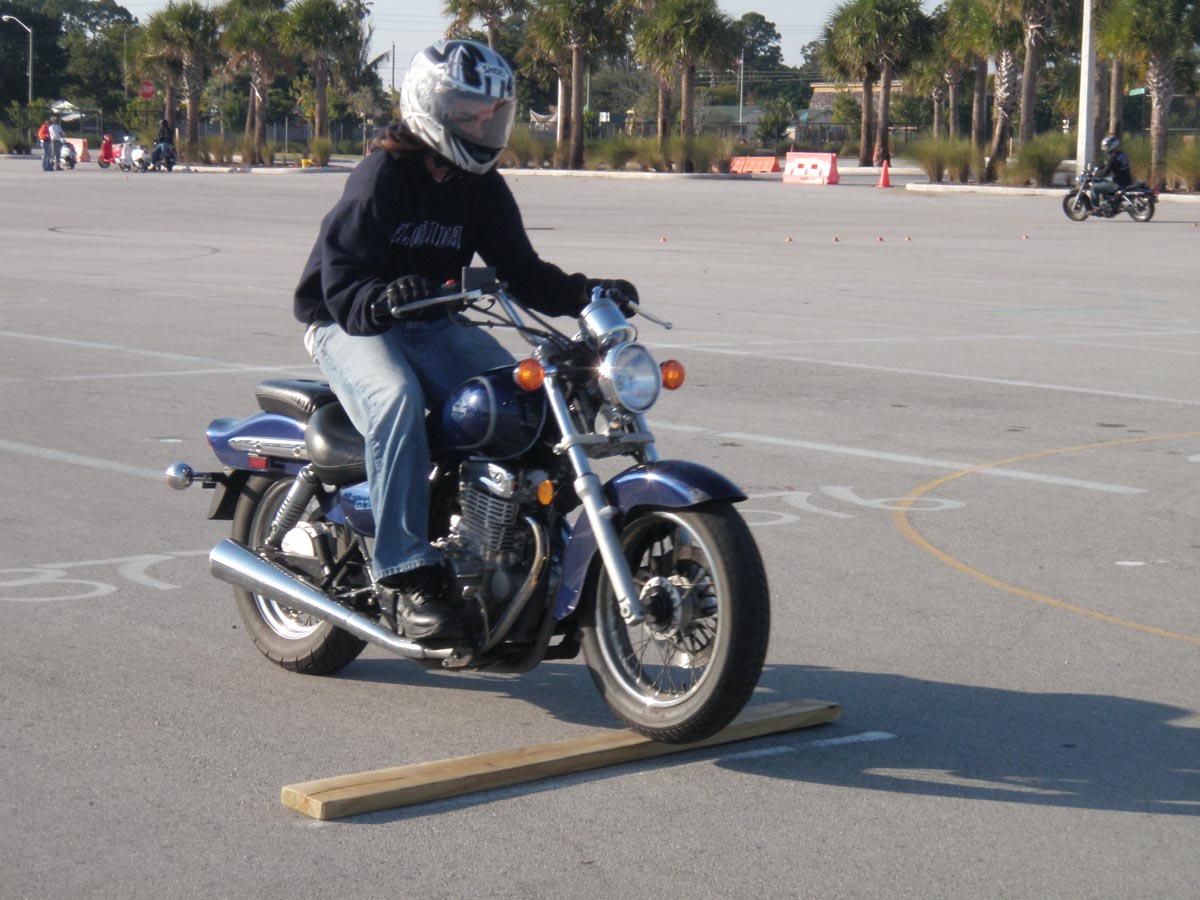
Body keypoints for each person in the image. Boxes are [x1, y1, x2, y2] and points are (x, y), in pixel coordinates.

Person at [294, 40, 637, 643]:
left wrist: (586, 293)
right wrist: (377, 297)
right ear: (430, 108)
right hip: (349, 322)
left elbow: (522, 271)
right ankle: (405, 572)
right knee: (397, 400)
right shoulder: (382, 175)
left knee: (523, 398)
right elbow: (340, 277)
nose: (481, 126)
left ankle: (506, 540)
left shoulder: (480, 186)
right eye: (467, 113)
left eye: (490, 115)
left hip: (432, 323)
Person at [1091, 135, 1132, 213]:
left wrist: (1095, 174)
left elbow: (1105, 173)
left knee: (1094, 187)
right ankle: (1109, 200)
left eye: (1105, 146)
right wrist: (1101, 167)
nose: (1104, 148)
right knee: (1106, 180)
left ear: (1111, 146)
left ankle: (1096, 209)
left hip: (1118, 183)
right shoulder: (1121, 155)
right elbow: (1109, 166)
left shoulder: (1113, 158)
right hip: (1126, 180)